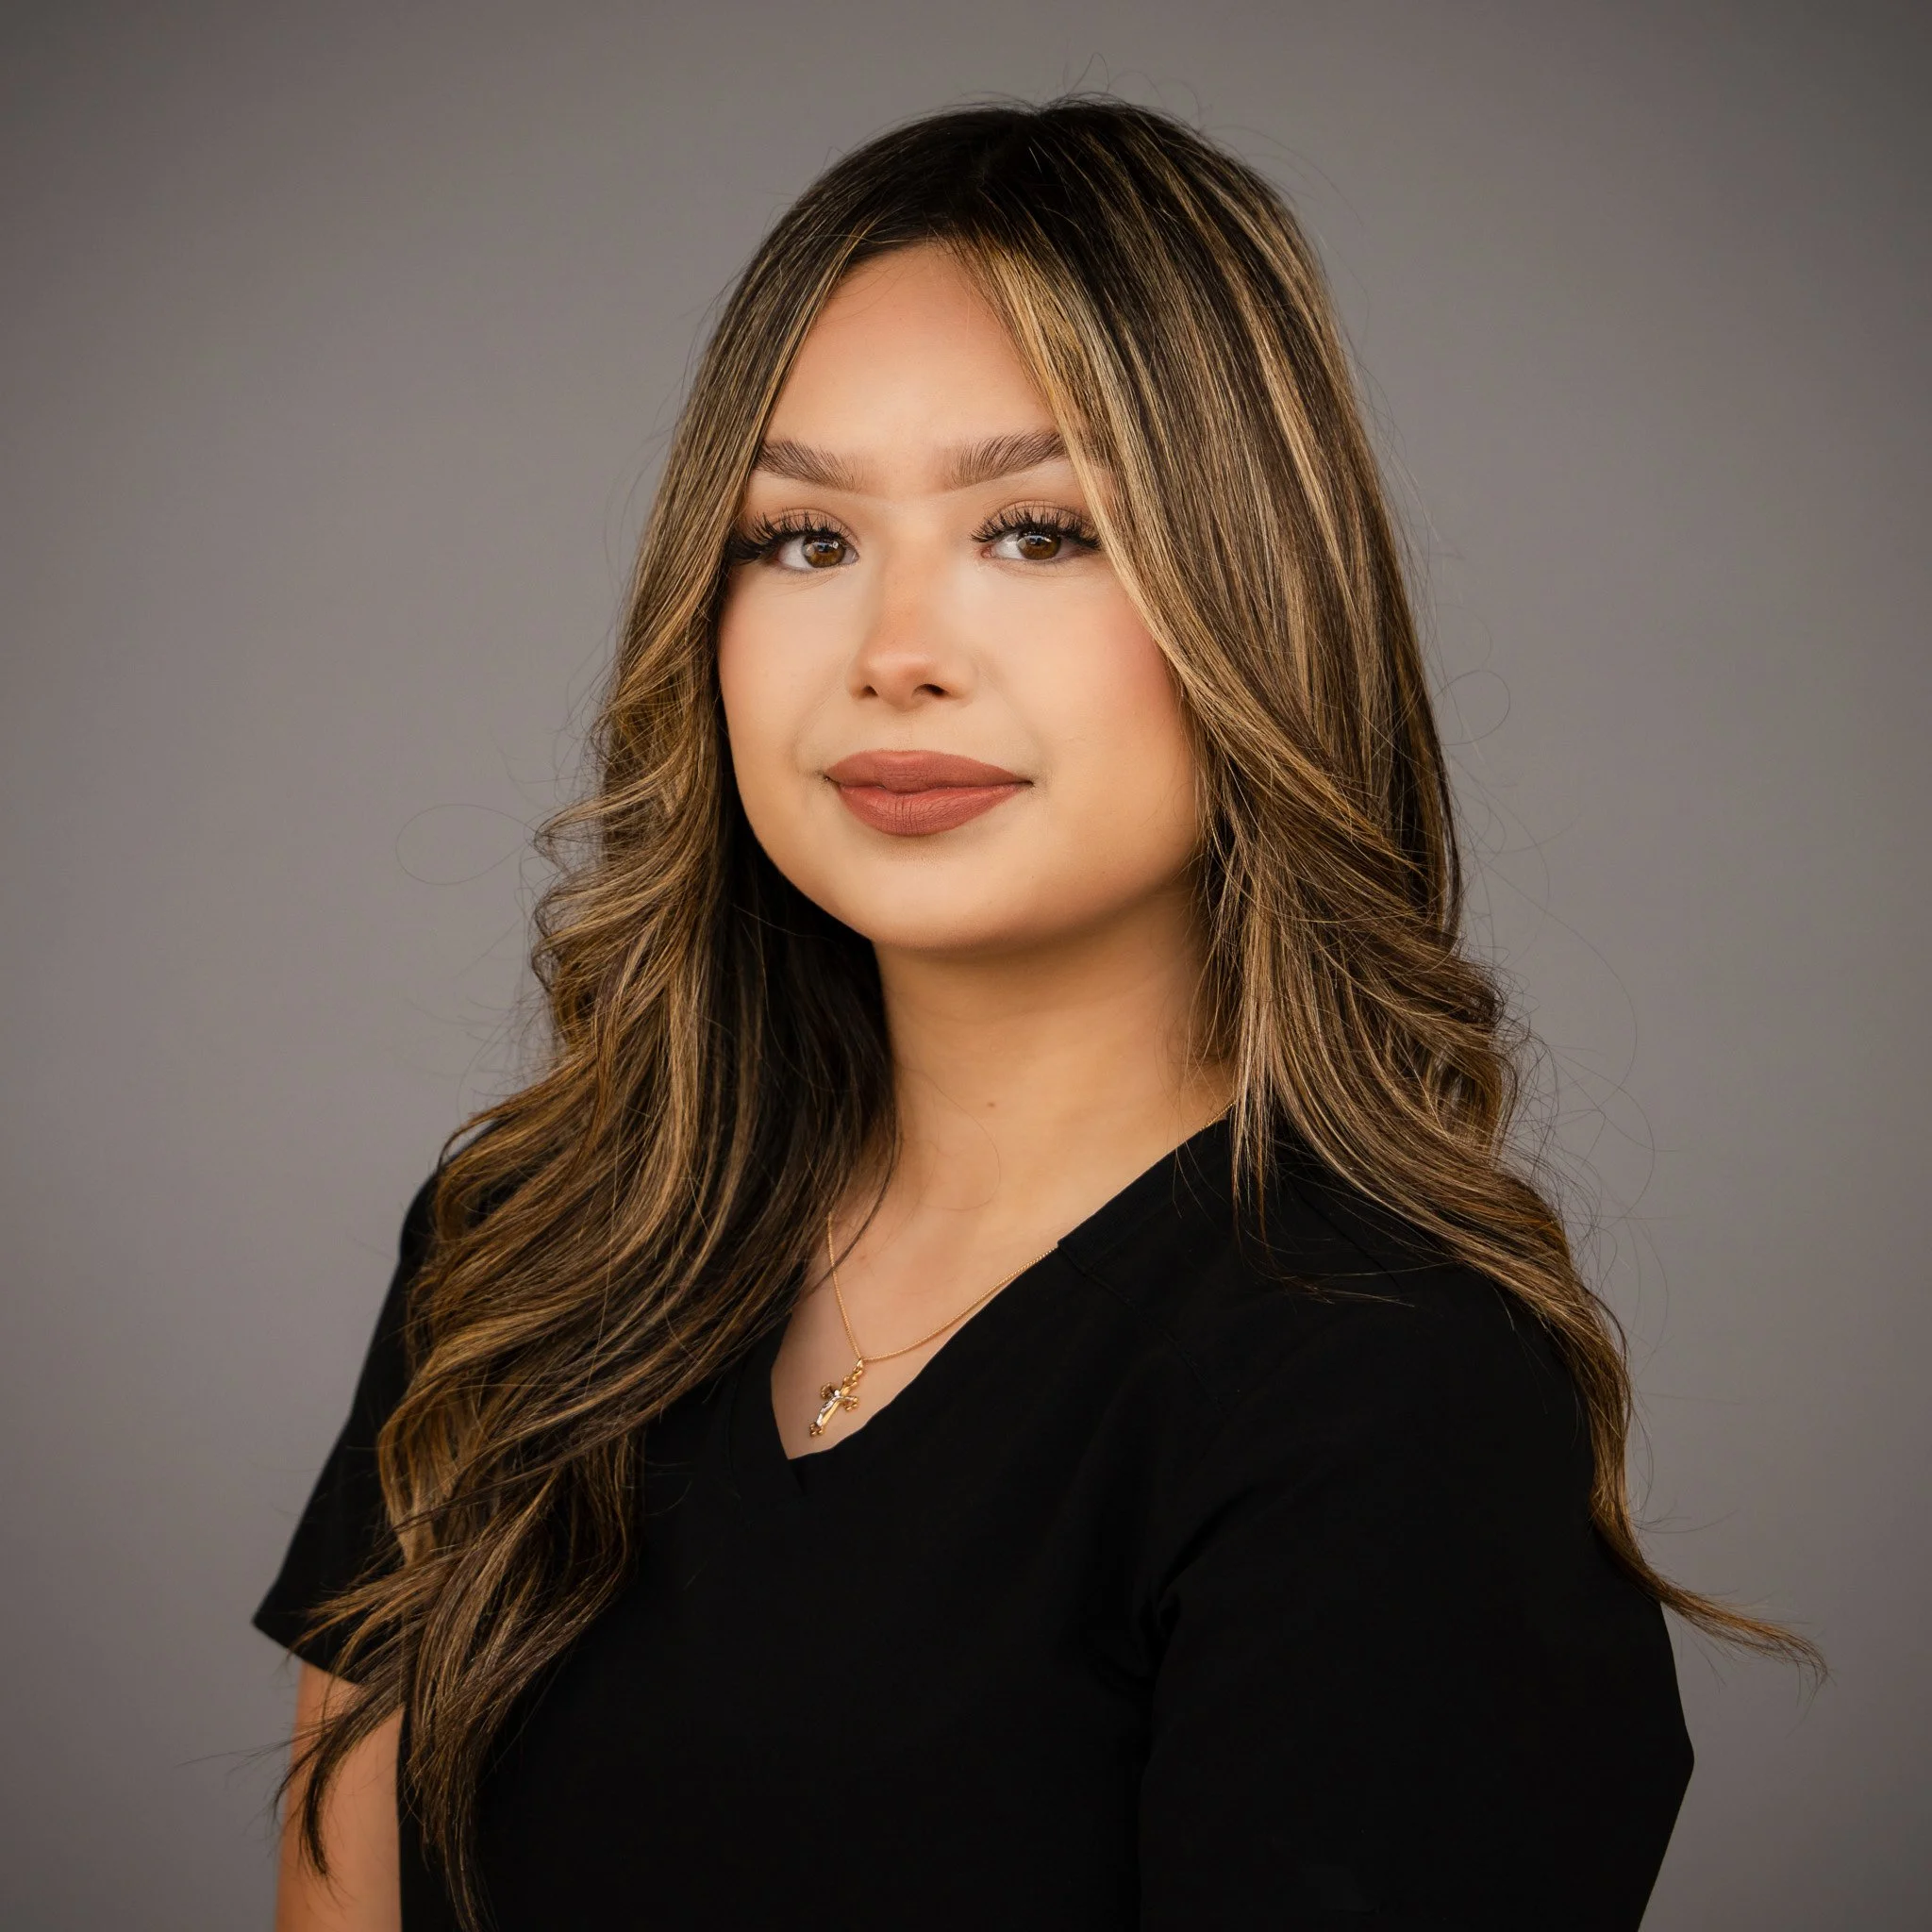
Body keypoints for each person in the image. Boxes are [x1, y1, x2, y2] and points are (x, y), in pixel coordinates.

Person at [255, 97, 1804, 1930]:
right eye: (802, 538)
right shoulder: (524, 1247)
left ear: (1258, 601)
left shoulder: (1389, 1395)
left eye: (1040, 529)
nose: (897, 644)